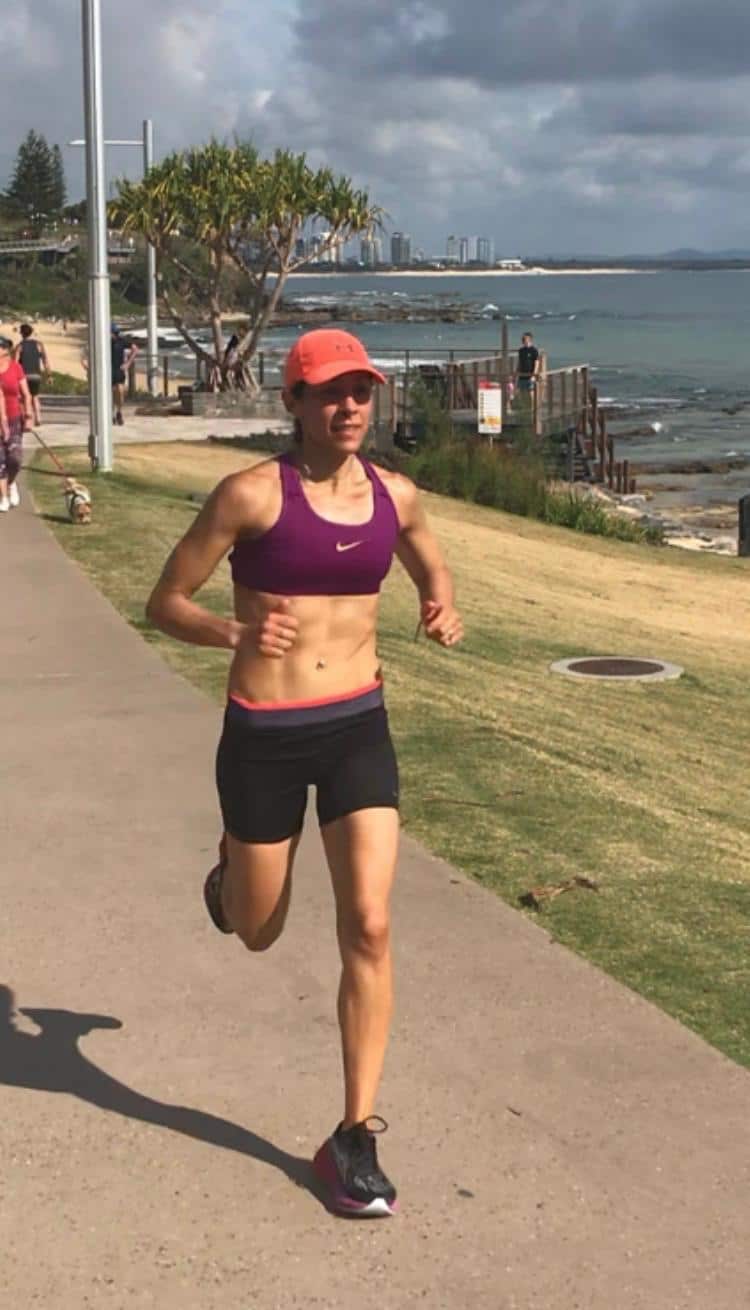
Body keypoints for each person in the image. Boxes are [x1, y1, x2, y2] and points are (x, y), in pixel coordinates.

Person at [145, 327, 463, 1217]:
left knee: (368, 922)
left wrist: (440, 605)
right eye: (329, 391)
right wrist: (233, 633)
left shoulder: (397, 497)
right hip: (266, 735)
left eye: (360, 390)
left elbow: (431, 564)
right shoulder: (248, 497)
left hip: (358, 725)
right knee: (257, 930)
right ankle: (234, 879)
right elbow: (164, 601)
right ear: (292, 402)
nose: (349, 406)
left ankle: (353, 1134)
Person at [0, 335, 33, 513]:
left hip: (14, 418)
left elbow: (26, 394)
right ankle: (3, 495)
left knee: (15, 458)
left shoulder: (15, 368)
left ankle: (11, 483)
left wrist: (28, 415)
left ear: (6, 349)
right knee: (1, 460)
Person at [14, 324, 49, 427]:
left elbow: (15, 363)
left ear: (21, 333)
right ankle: (38, 418)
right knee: (35, 396)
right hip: (36, 375)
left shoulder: (19, 346)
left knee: (25, 397)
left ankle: (27, 420)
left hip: (24, 376)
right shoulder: (39, 345)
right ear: (31, 332)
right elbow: (45, 360)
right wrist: (49, 375)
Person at [110, 324, 139, 426]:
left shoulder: (121, 341)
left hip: (119, 368)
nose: (113, 335)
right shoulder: (104, 342)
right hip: (108, 369)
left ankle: (119, 411)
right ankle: (112, 414)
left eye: (115, 333)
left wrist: (128, 363)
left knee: (120, 390)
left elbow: (135, 349)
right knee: (111, 393)